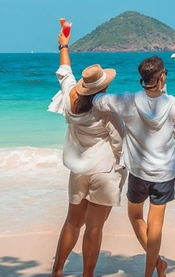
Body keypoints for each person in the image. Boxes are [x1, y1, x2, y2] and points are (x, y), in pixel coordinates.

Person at [93, 56, 175, 277]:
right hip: (164, 174)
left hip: (138, 173)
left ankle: (157, 265)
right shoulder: (172, 104)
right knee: (155, 226)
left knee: (135, 216)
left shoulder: (128, 100)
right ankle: (153, 270)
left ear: (143, 78)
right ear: (162, 76)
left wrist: (88, 90)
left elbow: (99, 101)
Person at [47, 21, 127, 277]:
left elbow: (64, 71)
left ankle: (58, 270)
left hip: (79, 169)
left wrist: (63, 44)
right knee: (94, 228)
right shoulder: (106, 110)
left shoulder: (71, 100)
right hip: (104, 171)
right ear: (103, 87)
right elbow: (119, 143)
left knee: (72, 221)